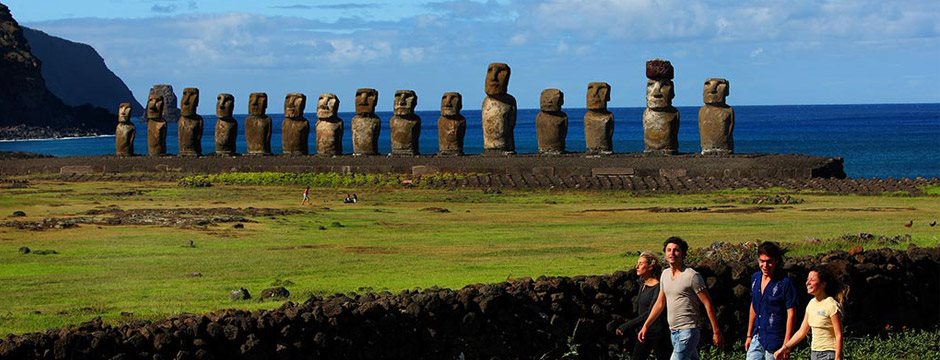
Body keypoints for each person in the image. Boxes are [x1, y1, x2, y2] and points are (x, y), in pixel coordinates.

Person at [638, 236, 723, 360]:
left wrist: (716, 331)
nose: (672, 253)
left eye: (676, 250)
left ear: (683, 254)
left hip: (688, 331)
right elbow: (660, 303)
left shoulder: (692, 276)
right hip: (674, 331)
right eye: (668, 250)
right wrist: (646, 325)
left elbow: (707, 303)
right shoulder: (665, 275)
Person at [774, 267, 845, 360]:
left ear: (823, 284)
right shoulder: (811, 304)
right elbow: (802, 332)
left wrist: (838, 357)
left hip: (829, 354)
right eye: (808, 280)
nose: (808, 283)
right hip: (814, 353)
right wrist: (784, 348)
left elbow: (839, 334)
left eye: (813, 280)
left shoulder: (831, 305)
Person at [745, 242, 798, 360]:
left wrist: (786, 345)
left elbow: (791, 314)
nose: (765, 265)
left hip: (776, 340)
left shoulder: (785, 283)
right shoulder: (755, 278)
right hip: (757, 337)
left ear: (776, 261)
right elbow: (754, 306)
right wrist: (749, 335)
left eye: (769, 262)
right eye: (762, 261)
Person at [616, 252, 672, 359]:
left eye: (641, 263)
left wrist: (627, 326)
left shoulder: (658, 287)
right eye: (637, 263)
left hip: (657, 333)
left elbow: (650, 312)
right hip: (644, 331)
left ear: (650, 266)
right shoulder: (643, 286)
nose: (637, 267)